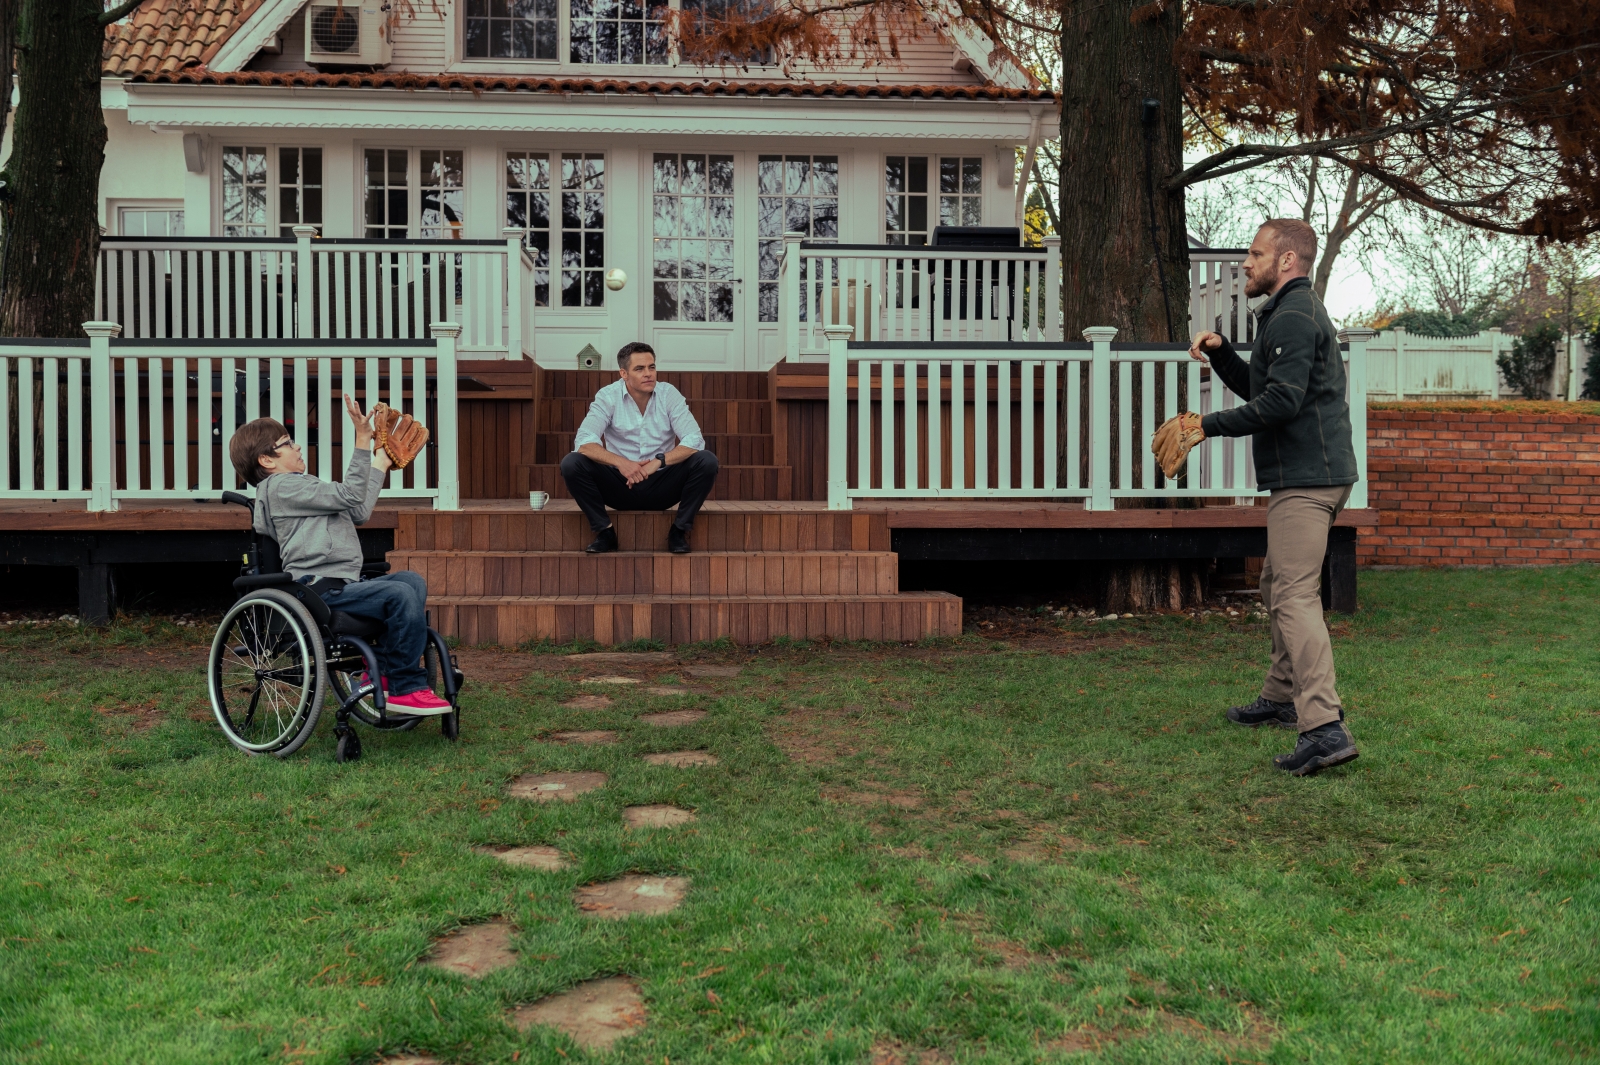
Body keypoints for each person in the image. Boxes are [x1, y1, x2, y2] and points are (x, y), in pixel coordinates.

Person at [1188, 218, 1360, 777]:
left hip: (1307, 479)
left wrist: (1205, 426)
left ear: (1287, 261)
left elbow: (1281, 404)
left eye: (1256, 254)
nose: (1246, 262)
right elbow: (1267, 389)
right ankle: (1282, 696)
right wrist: (1222, 354)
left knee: (1293, 595)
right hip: (1310, 474)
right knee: (1275, 584)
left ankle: (1324, 726)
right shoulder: (1289, 313)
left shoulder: (1293, 315)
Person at [227, 398, 451, 714]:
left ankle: (383, 673)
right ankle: (406, 686)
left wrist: (380, 463)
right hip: (317, 589)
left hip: (342, 584)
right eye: (287, 443)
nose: (297, 447)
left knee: (411, 582)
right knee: (400, 594)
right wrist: (362, 440)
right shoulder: (280, 487)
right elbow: (350, 494)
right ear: (266, 460)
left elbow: (357, 510)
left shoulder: (302, 487)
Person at [559, 341, 720, 555]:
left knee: (707, 460)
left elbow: (694, 439)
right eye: (639, 369)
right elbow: (584, 441)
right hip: (620, 485)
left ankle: (679, 531)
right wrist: (622, 463)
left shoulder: (668, 394)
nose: (648, 374)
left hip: (662, 484)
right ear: (623, 374)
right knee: (572, 463)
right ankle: (605, 532)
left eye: (651, 367)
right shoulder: (608, 396)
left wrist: (658, 462)